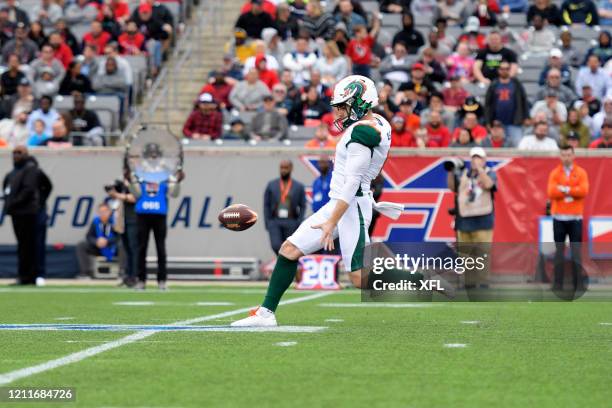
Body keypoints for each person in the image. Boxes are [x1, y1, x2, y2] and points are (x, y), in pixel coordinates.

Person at [233, 75, 407, 327]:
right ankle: (266, 313)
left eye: (343, 106)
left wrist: (330, 222)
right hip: (341, 203)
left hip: (351, 207)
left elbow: (351, 185)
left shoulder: (362, 133)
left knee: (359, 278)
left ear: (360, 103)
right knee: (289, 250)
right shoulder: (378, 122)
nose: (337, 112)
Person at [129, 144, 184, 290]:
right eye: (150, 154)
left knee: (161, 248)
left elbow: (174, 193)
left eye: (155, 154)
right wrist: (131, 180)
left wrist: (177, 182)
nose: (153, 157)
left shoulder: (166, 173)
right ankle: (141, 279)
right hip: (143, 213)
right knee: (141, 248)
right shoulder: (139, 172)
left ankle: (162, 280)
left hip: (159, 213)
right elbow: (136, 194)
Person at [447, 146, 496, 288]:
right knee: (466, 254)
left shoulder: (490, 173)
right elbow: (452, 187)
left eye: (479, 157)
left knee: (483, 253)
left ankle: (483, 282)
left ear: (484, 160)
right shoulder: (464, 174)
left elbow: (489, 185)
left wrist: (480, 169)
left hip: (483, 219)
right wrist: (450, 172)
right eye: (473, 157)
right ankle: (469, 282)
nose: (475, 160)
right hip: (464, 219)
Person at [546, 145, 589, 292]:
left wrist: (564, 189)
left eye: (569, 154)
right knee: (559, 251)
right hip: (559, 218)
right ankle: (557, 284)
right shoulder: (555, 173)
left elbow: (583, 191)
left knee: (576, 251)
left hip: (575, 218)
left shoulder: (581, 172)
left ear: (573, 155)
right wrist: (572, 191)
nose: (566, 157)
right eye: (563, 155)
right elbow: (551, 192)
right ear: (560, 156)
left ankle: (579, 285)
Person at [2, 146, 40, 285]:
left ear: (26, 154)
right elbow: (7, 190)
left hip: (27, 212)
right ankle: (23, 275)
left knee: (28, 245)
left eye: (19, 153)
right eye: (14, 153)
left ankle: (30, 276)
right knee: (22, 245)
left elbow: (28, 189)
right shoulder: (13, 172)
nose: (16, 155)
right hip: (16, 213)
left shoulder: (30, 169)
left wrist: (14, 203)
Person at [263, 160, 307, 255]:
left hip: (291, 221)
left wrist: (298, 222)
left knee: (289, 247)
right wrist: (268, 222)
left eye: (286, 168)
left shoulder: (298, 186)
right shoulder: (272, 185)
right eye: (281, 168)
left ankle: (285, 267)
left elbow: (303, 206)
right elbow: (266, 204)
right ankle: (282, 262)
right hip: (275, 221)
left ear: (291, 168)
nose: (283, 170)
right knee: (275, 245)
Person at [484, 60, 529, 146]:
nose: (504, 71)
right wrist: (488, 122)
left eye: (507, 69)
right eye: (502, 69)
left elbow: (523, 100)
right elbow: (488, 104)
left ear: (509, 70)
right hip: (497, 124)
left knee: (517, 145)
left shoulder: (516, 83)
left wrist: (526, 117)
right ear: (498, 70)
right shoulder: (494, 84)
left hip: (514, 122)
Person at [75, 203, 118, 277]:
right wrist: (96, 241)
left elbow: (119, 237)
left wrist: (107, 241)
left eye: (105, 211)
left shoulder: (115, 222)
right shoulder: (95, 222)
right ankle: (86, 272)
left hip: (112, 247)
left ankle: (123, 272)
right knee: (81, 245)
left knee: (123, 246)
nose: (103, 214)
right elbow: (89, 236)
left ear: (110, 212)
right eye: (101, 212)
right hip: (98, 248)